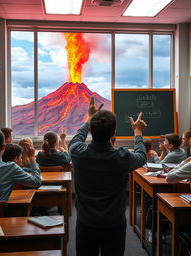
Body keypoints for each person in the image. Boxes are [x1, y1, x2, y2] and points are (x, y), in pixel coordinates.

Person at [69, 96, 147, 256]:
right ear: (114, 133)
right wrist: (138, 132)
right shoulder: (122, 157)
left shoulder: (78, 153)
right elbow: (141, 157)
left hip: (86, 222)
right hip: (114, 223)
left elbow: (76, 139)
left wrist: (89, 119)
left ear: (91, 130)